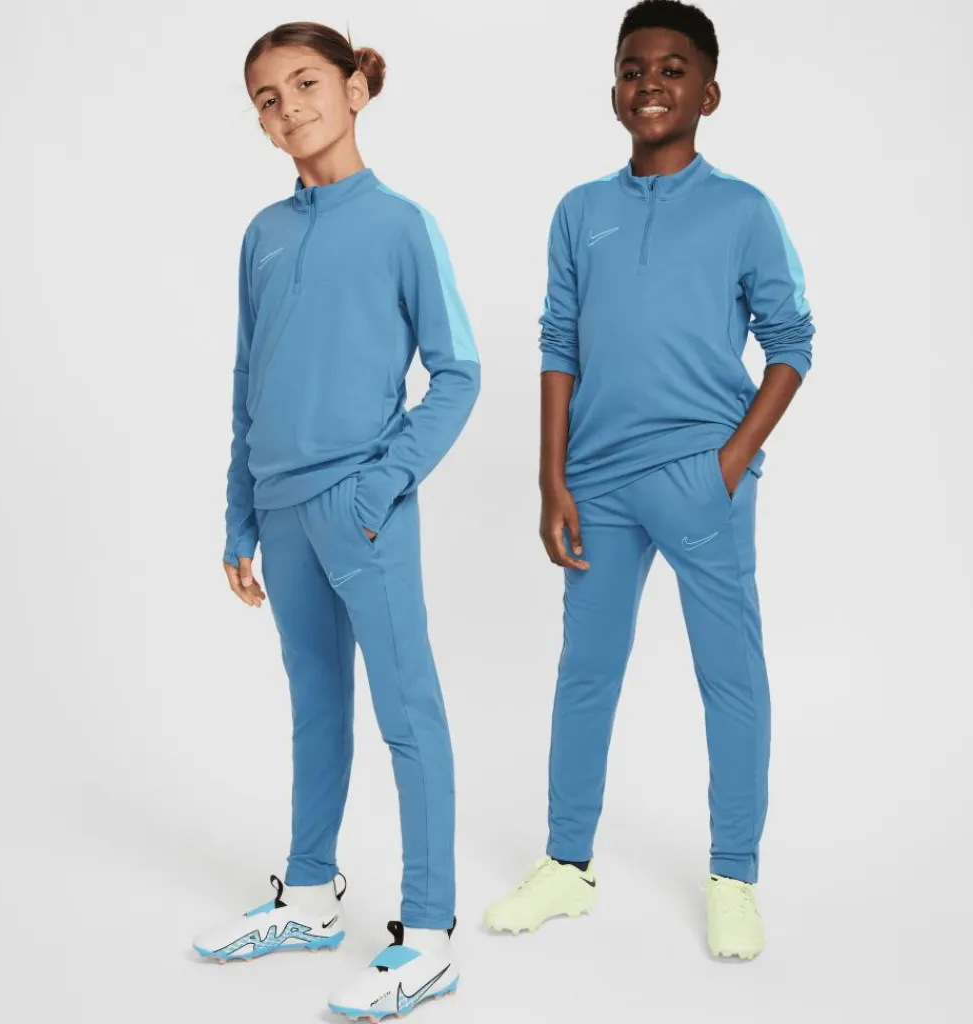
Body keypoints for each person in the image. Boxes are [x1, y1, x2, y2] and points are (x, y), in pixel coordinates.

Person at [484, 0, 814, 961]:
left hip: (699, 478)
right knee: (586, 672)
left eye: (673, 69)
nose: (651, 84)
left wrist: (729, 463)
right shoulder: (579, 213)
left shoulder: (742, 210)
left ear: (708, 93)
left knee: (729, 675)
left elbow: (791, 344)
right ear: (614, 91)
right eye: (634, 68)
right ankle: (567, 864)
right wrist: (551, 480)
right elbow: (558, 343)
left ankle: (734, 875)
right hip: (596, 486)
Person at [191, 22, 479, 1018]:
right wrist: (239, 513)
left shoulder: (401, 225)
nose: (289, 107)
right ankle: (309, 897)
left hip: (362, 509)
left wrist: (382, 482)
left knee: (408, 714)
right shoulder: (262, 235)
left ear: (356, 88)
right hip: (278, 511)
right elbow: (249, 379)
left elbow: (458, 371)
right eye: (267, 98)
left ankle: (429, 936)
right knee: (316, 705)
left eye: (306, 83)